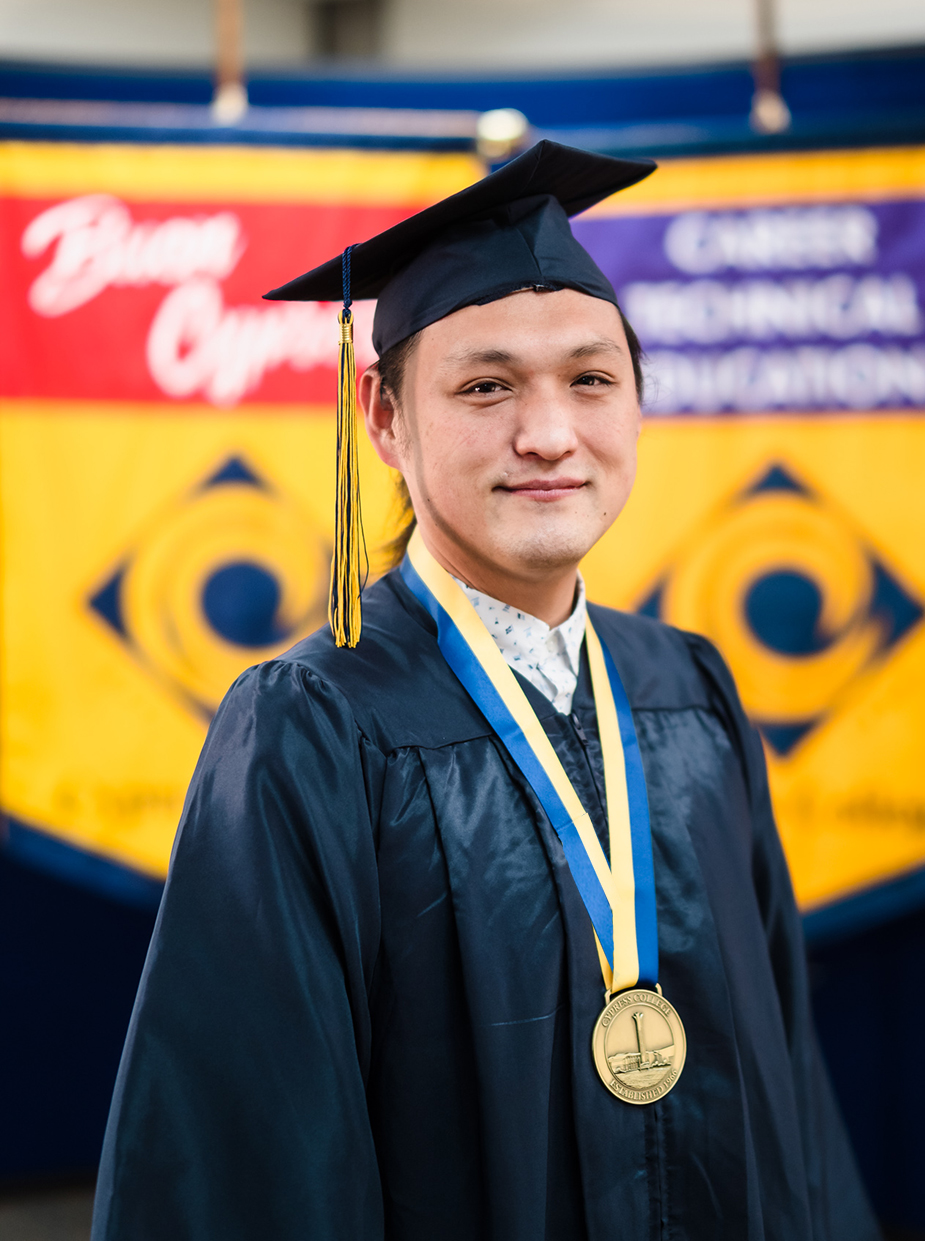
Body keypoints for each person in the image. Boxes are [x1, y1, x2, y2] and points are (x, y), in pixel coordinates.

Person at [92, 141, 879, 1241]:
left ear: (640, 404)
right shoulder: (313, 727)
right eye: (486, 385)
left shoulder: (689, 689)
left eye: (591, 379)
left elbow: (788, 1094)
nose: (549, 433)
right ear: (383, 417)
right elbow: (253, 1157)